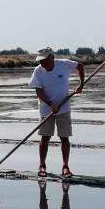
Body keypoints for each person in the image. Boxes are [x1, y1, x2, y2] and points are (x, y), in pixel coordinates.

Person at [28, 47, 85, 178]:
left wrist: (81, 85)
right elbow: (39, 92)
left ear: (52, 57)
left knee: (64, 137)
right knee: (45, 137)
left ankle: (65, 166)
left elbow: (80, 66)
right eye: (40, 61)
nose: (42, 64)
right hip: (46, 108)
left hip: (63, 107)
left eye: (44, 61)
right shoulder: (38, 71)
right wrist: (50, 104)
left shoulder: (63, 64)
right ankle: (42, 165)